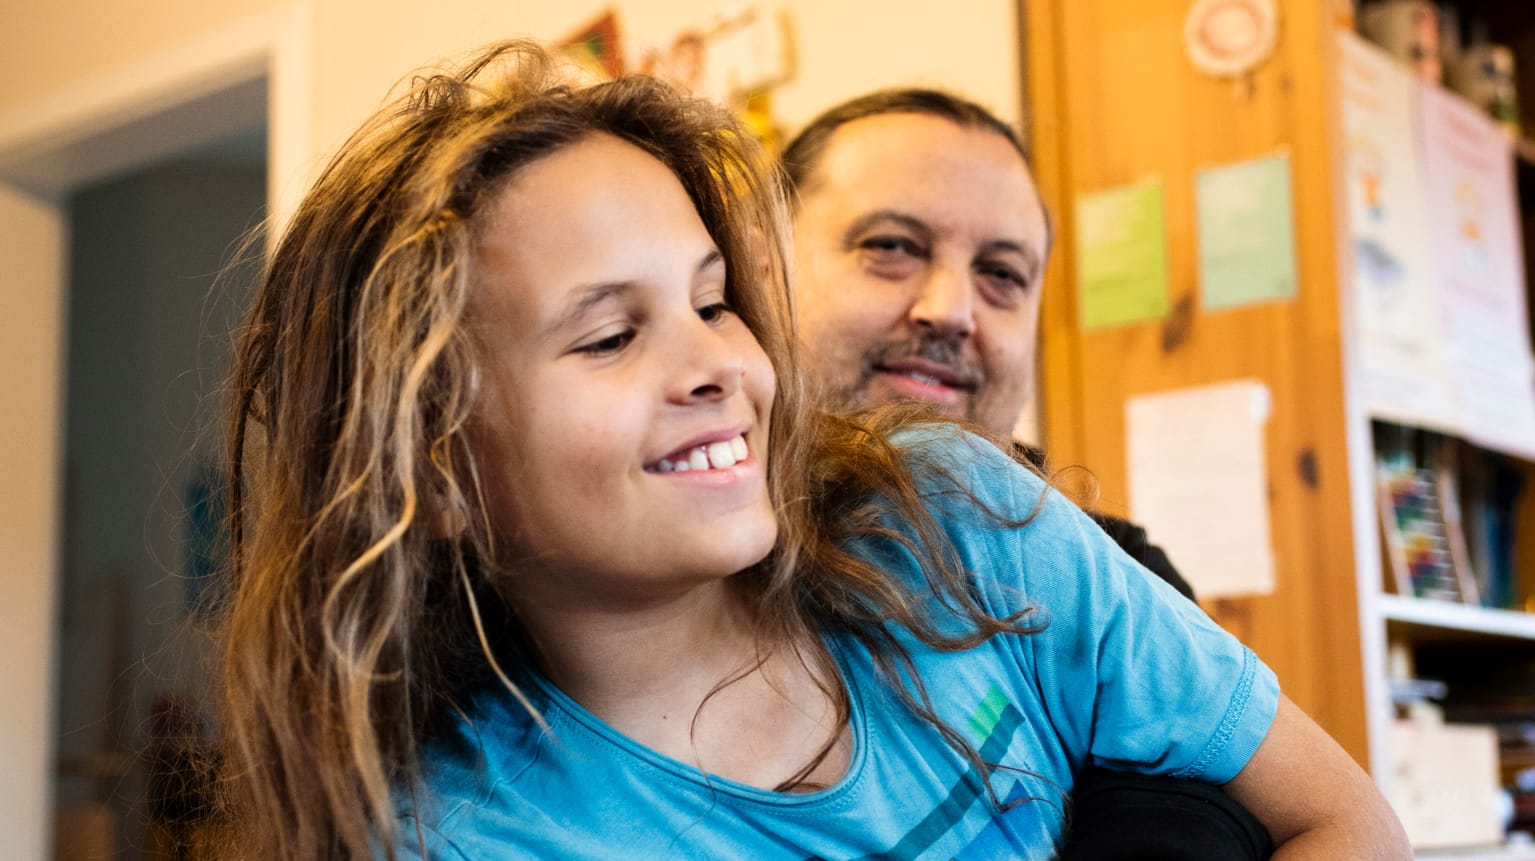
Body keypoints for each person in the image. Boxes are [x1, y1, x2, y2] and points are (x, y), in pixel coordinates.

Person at [215, 40, 1410, 860]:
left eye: (712, 299)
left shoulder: (965, 524)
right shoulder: (468, 831)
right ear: (430, 473)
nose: (721, 366)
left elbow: (1342, 816)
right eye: (610, 333)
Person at [778, 90, 1263, 856]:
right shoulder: (661, 585)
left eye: (1001, 273)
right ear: (759, 268)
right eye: (891, 246)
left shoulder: (1115, 580)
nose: (951, 310)